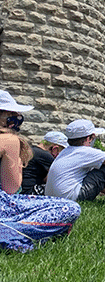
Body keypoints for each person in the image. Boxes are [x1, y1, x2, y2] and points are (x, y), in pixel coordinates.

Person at [0, 90, 81, 252]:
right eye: (13, 115)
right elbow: (12, 188)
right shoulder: (9, 140)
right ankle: (10, 234)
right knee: (70, 208)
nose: (17, 120)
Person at [45, 120, 105, 202]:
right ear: (88, 138)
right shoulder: (84, 151)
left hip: (52, 197)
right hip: (71, 198)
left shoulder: (66, 151)